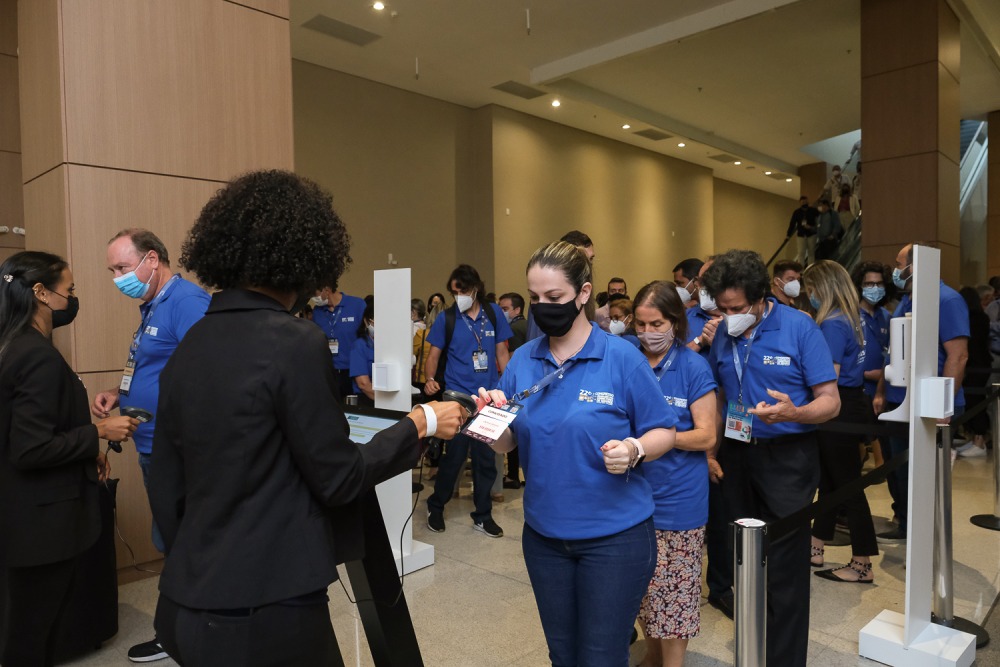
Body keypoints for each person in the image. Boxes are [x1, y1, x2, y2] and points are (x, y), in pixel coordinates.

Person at [147, 170, 468, 666]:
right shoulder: (294, 343)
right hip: (266, 609)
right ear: (306, 258)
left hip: (184, 602)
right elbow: (339, 478)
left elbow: (167, 487)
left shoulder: (190, 345)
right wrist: (419, 423)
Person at [480, 240, 677, 665]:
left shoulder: (621, 357)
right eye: (534, 298)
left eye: (554, 297)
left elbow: (665, 430)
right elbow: (508, 443)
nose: (542, 306)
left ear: (583, 294)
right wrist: (487, 422)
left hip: (615, 538)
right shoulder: (522, 361)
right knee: (563, 655)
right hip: (545, 537)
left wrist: (634, 448)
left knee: (602, 656)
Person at [702, 249, 840, 667]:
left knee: (784, 565)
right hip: (738, 453)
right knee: (742, 557)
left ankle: (784, 659)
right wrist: (711, 448)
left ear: (762, 297)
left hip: (788, 458)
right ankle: (752, 647)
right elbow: (724, 395)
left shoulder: (799, 328)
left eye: (738, 308)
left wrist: (794, 412)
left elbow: (830, 402)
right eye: (723, 309)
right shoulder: (725, 334)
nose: (730, 316)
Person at [0, 251, 137, 666]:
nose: (73, 299)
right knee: (31, 634)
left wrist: (84, 453)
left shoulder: (16, 345)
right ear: (40, 292)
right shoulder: (35, 355)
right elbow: (30, 448)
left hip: (25, 514)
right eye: (70, 290)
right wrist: (97, 431)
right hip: (41, 523)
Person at [92, 228, 210, 663]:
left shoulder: (187, 303)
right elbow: (157, 369)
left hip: (177, 450)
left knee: (183, 542)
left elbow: (207, 377)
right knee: (172, 540)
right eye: (113, 271)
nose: (117, 278)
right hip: (151, 446)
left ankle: (185, 634)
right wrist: (119, 394)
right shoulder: (152, 306)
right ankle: (182, 630)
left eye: (123, 268)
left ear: (153, 259)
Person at [630, 281, 717, 667]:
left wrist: (660, 439)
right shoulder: (628, 361)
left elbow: (706, 435)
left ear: (676, 321)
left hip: (679, 499)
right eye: (640, 324)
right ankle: (651, 654)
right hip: (632, 495)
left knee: (677, 593)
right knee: (644, 588)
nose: (648, 333)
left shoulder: (693, 366)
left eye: (656, 323)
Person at [874, 243, 968, 543]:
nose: (896, 270)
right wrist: (880, 391)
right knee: (897, 470)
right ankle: (904, 521)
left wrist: (944, 405)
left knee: (919, 474)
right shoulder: (908, 299)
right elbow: (893, 354)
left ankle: (920, 533)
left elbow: (958, 356)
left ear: (914, 266)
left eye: (899, 263)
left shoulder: (947, 299)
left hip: (928, 404)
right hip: (899, 400)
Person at [802, 261, 879, 583]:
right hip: (853, 402)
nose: (809, 296)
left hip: (837, 409)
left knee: (848, 486)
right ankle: (816, 546)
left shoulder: (832, 324)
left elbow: (826, 378)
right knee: (833, 483)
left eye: (810, 290)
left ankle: (862, 562)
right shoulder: (853, 318)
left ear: (822, 288)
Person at [423, 264, 512, 537]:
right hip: (457, 397)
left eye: (460, 290)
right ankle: (436, 506)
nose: (457, 296)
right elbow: (434, 355)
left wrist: (506, 387)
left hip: (488, 399)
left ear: (474, 289)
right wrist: (429, 379)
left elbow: (501, 353)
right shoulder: (447, 318)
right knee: (456, 457)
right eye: (453, 292)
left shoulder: (494, 314)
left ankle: (482, 515)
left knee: (486, 460)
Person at [683, 258, 731, 618]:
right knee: (708, 511)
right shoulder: (688, 318)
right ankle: (710, 584)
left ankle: (725, 583)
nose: (702, 288)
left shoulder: (743, 318)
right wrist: (702, 339)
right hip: (696, 429)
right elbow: (668, 358)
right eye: (699, 281)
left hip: (738, 423)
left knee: (729, 513)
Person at [852, 261, 892, 467]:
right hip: (859, 390)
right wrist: (868, 374)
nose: (874, 289)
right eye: (869, 284)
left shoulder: (887, 317)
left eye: (879, 284)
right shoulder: (850, 316)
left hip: (884, 388)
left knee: (883, 440)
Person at [526, 230, 596, 341]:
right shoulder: (523, 355)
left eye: (590, 259)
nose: (587, 266)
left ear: (584, 292)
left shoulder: (620, 353)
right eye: (534, 297)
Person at [310, 282, 367, 400]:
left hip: (352, 371)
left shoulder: (357, 305)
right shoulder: (318, 311)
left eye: (314, 293)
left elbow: (366, 337)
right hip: (329, 371)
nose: (313, 298)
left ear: (327, 289)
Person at [956, 286, 991, 456]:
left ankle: (979, 441)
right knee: (976, 401)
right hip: (983, 364)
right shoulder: (982, 318)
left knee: (975, 401)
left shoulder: (969, 319)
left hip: (974, 365)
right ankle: (976, 440)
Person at [499, 291, 528, 488]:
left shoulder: (515, 329)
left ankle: (512, 475)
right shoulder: (529, 326)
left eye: (505, 309)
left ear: (517, 309)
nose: (502, 313)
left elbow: (510, 358)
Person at [349, 303, 376, 406]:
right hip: (368, 399)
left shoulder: (390, 344)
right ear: (366, 321)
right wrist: (384, 402)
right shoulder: (359, 345)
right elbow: (363, 384)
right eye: (372, 321)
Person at [786, 196, 818, 267]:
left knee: (811, 253)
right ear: (800, 203)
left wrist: (812, 227)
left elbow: (819, 218)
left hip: (811, 234)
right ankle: (800, 271)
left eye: (805, 201)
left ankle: (810, 269)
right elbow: (792, 223)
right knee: (801, 253)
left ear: (807, 201)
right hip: (801, 235)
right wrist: (788, 234)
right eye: (802, 202)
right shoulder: (796, 212)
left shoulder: (813, 210)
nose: (804, 203)